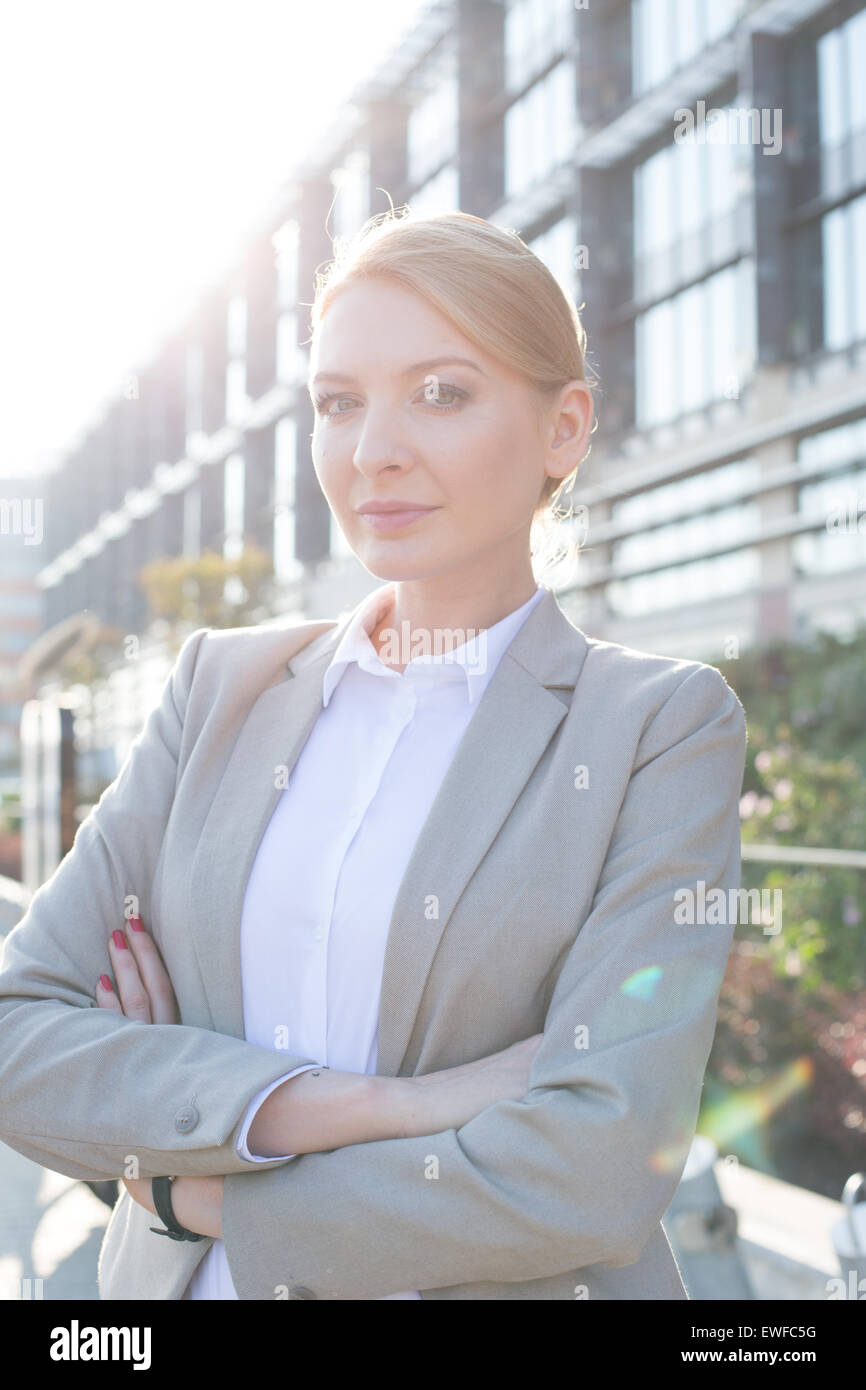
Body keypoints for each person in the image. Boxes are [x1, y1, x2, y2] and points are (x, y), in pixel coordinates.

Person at [0, 209, 747, 1300]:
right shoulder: (220, 687)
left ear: (563, 427)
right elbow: (20, 1032)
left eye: (439, 392)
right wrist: (374, 1105)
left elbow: (593, 1165)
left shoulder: (655, 726)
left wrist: (185, 1185)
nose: (372, 450)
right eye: (339, 403)